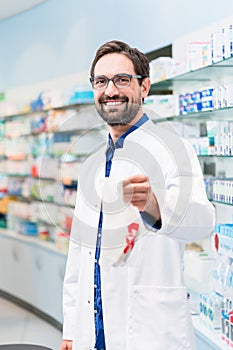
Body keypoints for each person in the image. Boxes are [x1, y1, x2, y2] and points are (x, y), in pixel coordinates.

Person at [59, 40, 215, 350]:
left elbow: (204, 221)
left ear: (144, 87)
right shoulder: (90, 164)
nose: (110, 90)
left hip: (149, 329)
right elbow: (79, 253)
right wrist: (71, 328)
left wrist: (157, 208)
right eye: (101, 81)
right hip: (94, 329)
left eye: (122, 79)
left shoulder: (174, 149)